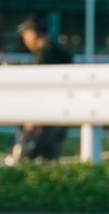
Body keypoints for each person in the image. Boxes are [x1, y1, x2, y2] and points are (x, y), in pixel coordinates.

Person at [16, 14, 72, 161]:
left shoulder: (43, 55)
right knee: (50, 162)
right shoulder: (57, 51)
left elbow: (40, 89)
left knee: (30, 159)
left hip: (46, 119)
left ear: (33, 33)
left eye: (26, 34)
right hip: (62, 116)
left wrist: (31, 118)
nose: (25, 39)